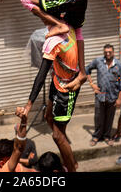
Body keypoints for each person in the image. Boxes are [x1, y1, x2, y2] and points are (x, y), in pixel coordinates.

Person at [16, 22, 81, 172]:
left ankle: (72, 168)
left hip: (67, 88)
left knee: (57, 136)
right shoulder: (56, 32)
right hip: (56, 80)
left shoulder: (57, 40)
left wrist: (29, 105)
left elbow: (40, 76)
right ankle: (68, 156)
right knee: (48, 117)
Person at [85, 44, 121, 147]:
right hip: (100, 96)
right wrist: (92, 84)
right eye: (106, 52)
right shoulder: (98, 61)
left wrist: (119, 99)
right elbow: (86, 69)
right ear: (104, 52)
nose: (107, 54)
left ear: (113, 52)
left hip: (113, 96)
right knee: (98, 117)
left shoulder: (119, 65)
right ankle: (96, 136)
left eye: (109, 52)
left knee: (109, 118)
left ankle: (107, 136)